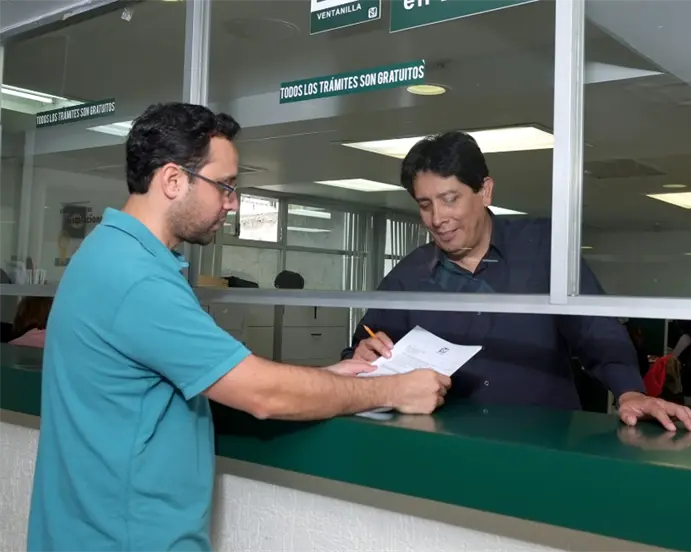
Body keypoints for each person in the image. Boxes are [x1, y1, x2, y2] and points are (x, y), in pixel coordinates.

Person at [27, 103, 450, 552]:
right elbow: (262, 394)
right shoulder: (137, 278)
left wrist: (329, 376)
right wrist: (392, 390)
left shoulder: (108, 253)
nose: (232, 202)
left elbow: (215, 373)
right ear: (173, 180)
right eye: (224, 185)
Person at [343, 131, 691, 433]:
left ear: (485, 191)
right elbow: (363, 346)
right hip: (450, 447)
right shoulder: (410, 275)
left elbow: (596, 330)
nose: (438, 218)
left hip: (544, 447)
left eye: (449, 199)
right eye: (425, 205)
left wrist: (630, 392)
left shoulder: (542, 250)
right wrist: (361, 357)